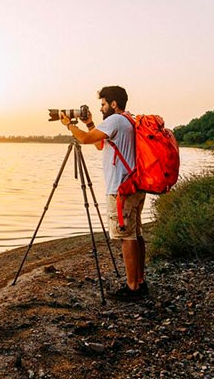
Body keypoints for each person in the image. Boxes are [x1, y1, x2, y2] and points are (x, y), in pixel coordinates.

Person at [59, 85, 148, 300]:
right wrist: (88, 123)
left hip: (120, 189)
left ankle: (132, 287)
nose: (101, 108)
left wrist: (69, 125)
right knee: (135, 235)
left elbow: (86, 139)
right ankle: (140, 281)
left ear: (113, 103)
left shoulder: (115, 120)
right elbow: (100, 144)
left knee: (126, 236)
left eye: (103, 104)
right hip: (134, 186)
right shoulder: (127, 120)